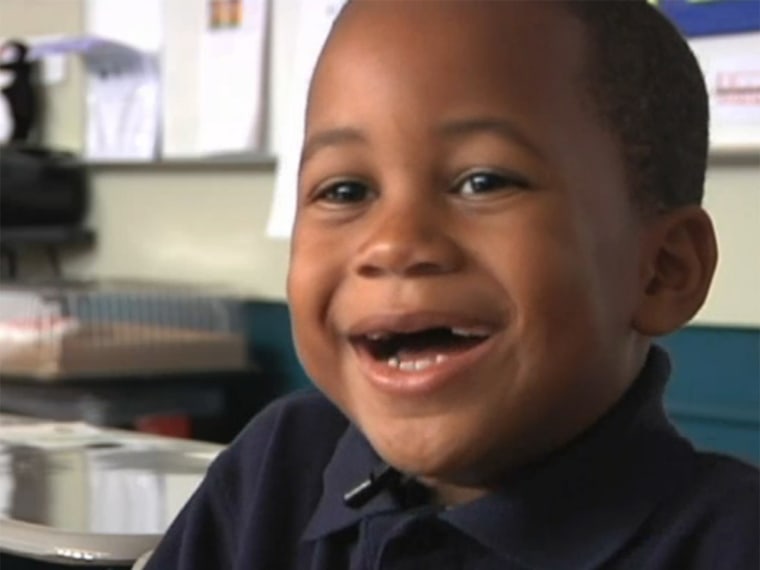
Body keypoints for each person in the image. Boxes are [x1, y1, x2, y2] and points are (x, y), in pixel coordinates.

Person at [146, 1, 759, 568]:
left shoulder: (731, 543)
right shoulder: (278, 472)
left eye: (485, 182)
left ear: (663, 271)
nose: (393, 243)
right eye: (344, 191)